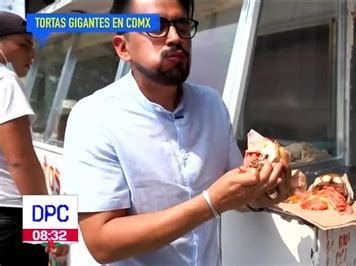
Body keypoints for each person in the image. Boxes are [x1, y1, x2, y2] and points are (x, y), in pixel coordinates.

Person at [61, 0, 292, 265]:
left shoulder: (212, 105)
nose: (175, 38)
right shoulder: (94, 115)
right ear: (123, 48)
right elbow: (102, 243)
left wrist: (261, 195)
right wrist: (209, 204)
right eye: (156, 27)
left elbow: (234, 194)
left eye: (182, 25)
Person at [0, 11, 68, 264]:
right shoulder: (5, 80)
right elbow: (21, 161)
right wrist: (53, 229)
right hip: (10, 218)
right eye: (23, 45)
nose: (32, 54)